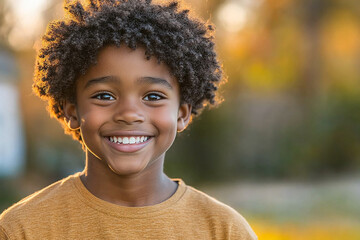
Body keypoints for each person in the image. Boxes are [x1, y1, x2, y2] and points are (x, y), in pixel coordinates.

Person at [0, 0, 257, 239]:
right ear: (72, 111)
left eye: (153, 96)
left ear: (182, 113)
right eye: (104, 95)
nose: (129, 113)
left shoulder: (224, 230)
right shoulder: (21, 229)